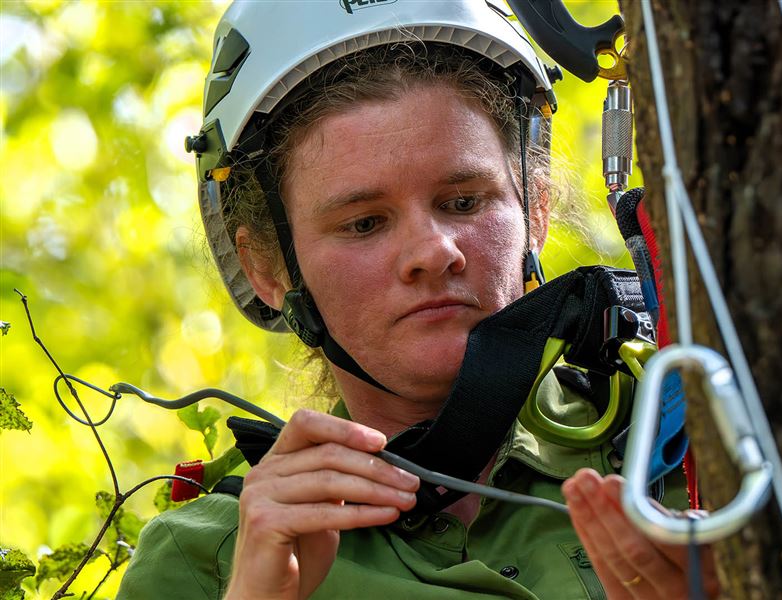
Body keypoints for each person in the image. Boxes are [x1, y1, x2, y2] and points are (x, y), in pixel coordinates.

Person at [117, 1, 715, 598]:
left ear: (534, 209)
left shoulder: (700, 433)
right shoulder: (204, 560)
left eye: (463, 202)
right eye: (364, 223)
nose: (433, 252)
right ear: (268, 266)